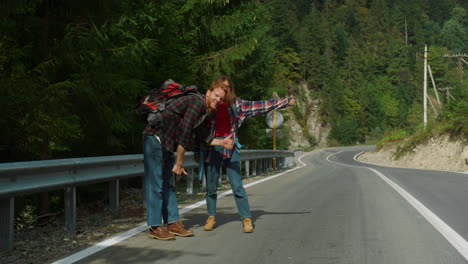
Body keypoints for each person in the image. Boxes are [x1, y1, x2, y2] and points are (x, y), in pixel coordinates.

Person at [142, 80, 234, 241]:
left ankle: (172, 222)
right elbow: (185, 133)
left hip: (167, 144)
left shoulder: (202, 110)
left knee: (168, 184)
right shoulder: (196, 103)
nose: (218, 100)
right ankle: (155, 226)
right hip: (155, 138)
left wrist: (221, 142)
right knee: (155, 183)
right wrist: (179, 162)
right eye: (216, 96)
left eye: (221, 99)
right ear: (208, 93)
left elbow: (201, 134)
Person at [202, 76, 295, 233]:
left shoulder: (237, 105)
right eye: (220, 87)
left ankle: (246, 219)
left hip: (230, 148)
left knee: (237, 185)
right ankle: (211, 217)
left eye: (227, 88)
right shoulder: (208, 103)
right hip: (212, 147)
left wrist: (285, 101)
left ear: (230, 90)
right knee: (211, 186)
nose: (223, 91)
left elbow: (262, 105)